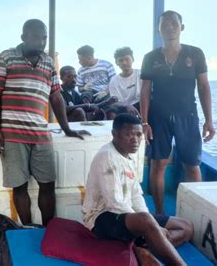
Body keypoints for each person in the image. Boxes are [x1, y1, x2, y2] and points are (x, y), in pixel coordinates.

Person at [0, 19, 89, 226]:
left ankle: (48, 228)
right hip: (12, 134)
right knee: (19, 186)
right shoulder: (6, 57)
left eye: (44, 37)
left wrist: (67, 128)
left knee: (48, 184)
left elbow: (56, 97)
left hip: (40, 132)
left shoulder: (48, 62)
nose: (41, 42)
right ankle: (26, 227)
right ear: (24, 37)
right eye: (36, 37)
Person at [82, 114, 193, 266]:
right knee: (146, 221)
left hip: (128, 214)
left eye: (138, 134)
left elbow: (136, 195)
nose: (135, 139)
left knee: (186, 227)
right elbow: (115, 203)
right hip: (101, 218)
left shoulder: (127, 155)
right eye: (128, 134)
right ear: (115, 134)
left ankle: (143, 250)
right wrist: (150, 226)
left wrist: (153, 225)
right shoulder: (107, 157)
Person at [140, 10, 215, 214]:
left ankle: (196, 211)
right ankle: (160, 212)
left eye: (174, 23)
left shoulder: (195, 53)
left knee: (192, 165)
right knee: (158, 165)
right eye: (164, 23)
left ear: (182, 28)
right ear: (158, 29)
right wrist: (144, 122)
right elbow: (145, 90)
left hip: (188, 116)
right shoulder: (150, 57)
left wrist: (209, 120)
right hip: (158, 118)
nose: (169, 27)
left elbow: (204, 86)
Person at [109, 47, 141, 111]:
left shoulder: (141, 74)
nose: (124, 63)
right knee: (111, 109)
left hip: (141, 105)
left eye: (127, 59)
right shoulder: (114, 81)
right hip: (124, 108)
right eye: (121, 60)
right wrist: (127, 105)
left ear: (133, 59)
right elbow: (115, 101)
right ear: (116, 62)